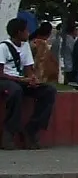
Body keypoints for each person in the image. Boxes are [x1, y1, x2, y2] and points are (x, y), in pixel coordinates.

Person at [2, 17, 57, 148]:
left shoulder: (25, 46)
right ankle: (9, 131)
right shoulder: (3, 47)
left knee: (49, 91)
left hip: (20, 80)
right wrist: (20, 80)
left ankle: (32, 129)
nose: (28, 33)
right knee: (16, 91)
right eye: (26, 30)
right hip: (5, 80)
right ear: (18, 32)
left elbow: (28, 69)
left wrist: (32, 79)